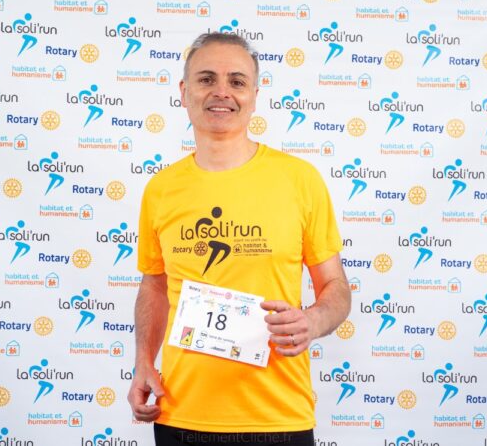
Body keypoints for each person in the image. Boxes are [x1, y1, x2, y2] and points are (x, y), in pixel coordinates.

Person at [127, 32, 351, 446]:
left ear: (254, 95)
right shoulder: (160, 189)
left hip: (278, 420)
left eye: (237, 81)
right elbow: (154, 286)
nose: (222, 92)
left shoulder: (299, 180)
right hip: (180, 415)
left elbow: (335, 285)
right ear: (184, 92)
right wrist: (143, 361)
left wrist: (313, 321)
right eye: (206, 79)